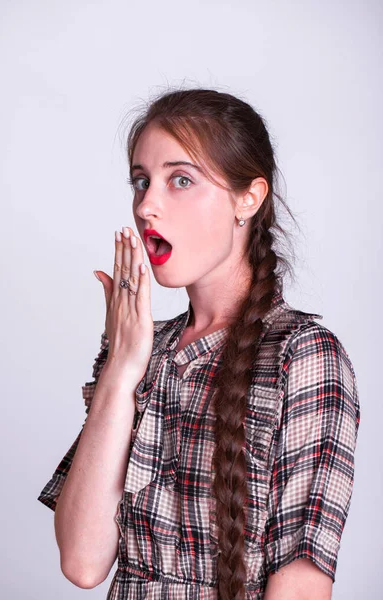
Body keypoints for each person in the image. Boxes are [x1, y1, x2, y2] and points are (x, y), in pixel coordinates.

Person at [37, 88, 361, 600]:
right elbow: (82, 561)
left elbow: (300, 582)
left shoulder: (304, 355)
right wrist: (121, 370)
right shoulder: (141, 349)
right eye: (141, 181)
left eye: (180, 180)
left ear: (248, 198)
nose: (147, 205)